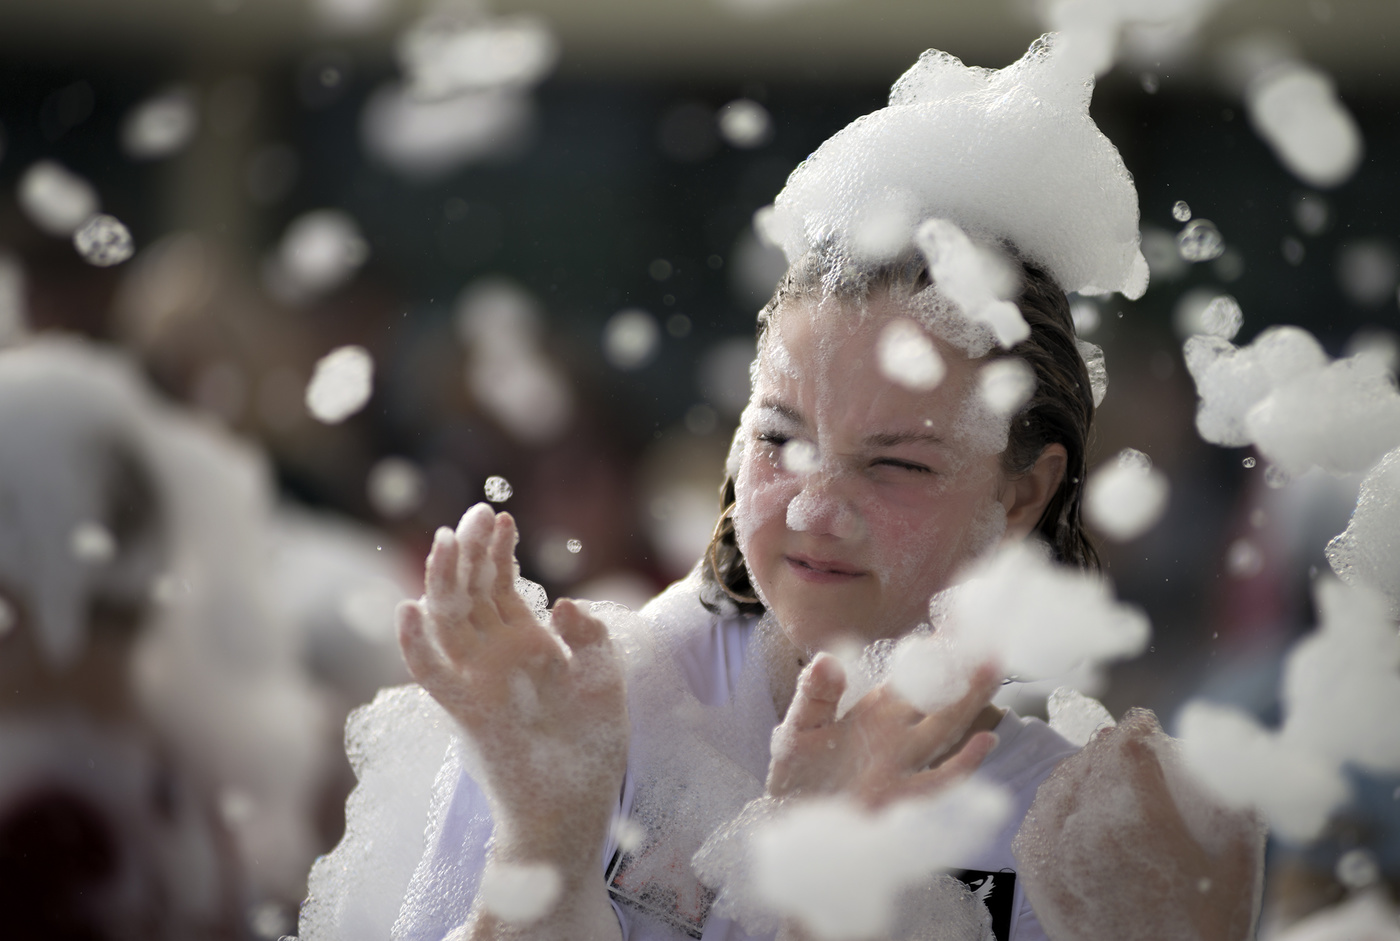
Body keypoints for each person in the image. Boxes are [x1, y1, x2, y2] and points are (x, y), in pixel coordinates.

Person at [379, 34, 1264, 941]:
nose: (811, 508)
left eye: (897, 463)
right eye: (779, 439)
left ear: (1023, 494)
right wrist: (545, 844)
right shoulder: (585, 716)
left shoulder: (1075, 834)